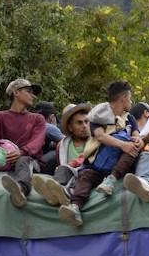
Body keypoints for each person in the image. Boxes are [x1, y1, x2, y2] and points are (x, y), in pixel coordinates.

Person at [58, 81, 142, 226]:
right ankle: (75, 207)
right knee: (85, 177)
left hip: (120, 166)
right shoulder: (98, 117)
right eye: (130, 98)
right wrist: (123, 145)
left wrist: (138, 141)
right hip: (97, 163)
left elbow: (137, 136)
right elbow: (100, 136)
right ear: (123, 98)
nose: (131, 101)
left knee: (133, 147)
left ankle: (112, 179)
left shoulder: (130, 119)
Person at [0, 78, 46, 208]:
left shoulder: (37, 119)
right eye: (28, 91)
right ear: (16, 93)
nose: (32, 95)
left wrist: (21, 152)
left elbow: (37, 143)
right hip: (1, 161)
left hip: (27, 161)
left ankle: (20, 190)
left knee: (23, 160)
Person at [30, 103, 92, 207]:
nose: (84, 126)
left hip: (87, 176)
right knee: (62, 169)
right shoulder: (62, 145)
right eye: (79, 123)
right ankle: (55, 191)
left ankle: (58, 190)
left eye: (86, 122)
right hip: (69, 174)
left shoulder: (97, 142)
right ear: (70, 127)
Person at [32, 101, 63, 172]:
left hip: (24, 160)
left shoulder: (30, 124)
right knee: (57, 151)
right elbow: (67, 143)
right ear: (52, 117)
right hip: (39, 165)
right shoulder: (48, 127)